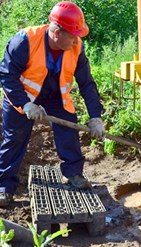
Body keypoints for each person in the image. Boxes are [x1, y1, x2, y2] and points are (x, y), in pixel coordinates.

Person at [0, 1, 105, 207]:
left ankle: (74, 173)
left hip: (56, 95)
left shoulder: (77, 48)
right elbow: (7, 75)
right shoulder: (25, 41)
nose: (77, 41)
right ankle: (4, 186)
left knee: (68, 128)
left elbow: (87, 84)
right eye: (73, 35)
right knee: (14, 138)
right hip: (24, 95)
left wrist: (95, 116)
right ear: (57, 32)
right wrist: (25, 104)